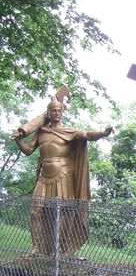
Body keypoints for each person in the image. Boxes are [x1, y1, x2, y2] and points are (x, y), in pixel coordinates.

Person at [12, 100, 113, 256]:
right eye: (53, 110)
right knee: (36, 211)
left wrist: (103, 133)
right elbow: (28, 151)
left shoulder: (69, 131)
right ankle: (37, 248)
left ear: (62, 112)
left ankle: (59, 247)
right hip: (44, 176)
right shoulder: (41, 132)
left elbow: (87, 135)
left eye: (59, 110)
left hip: (63, 175)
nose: (57, 113)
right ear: (48, 113)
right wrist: (19, 140)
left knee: (63, 212)